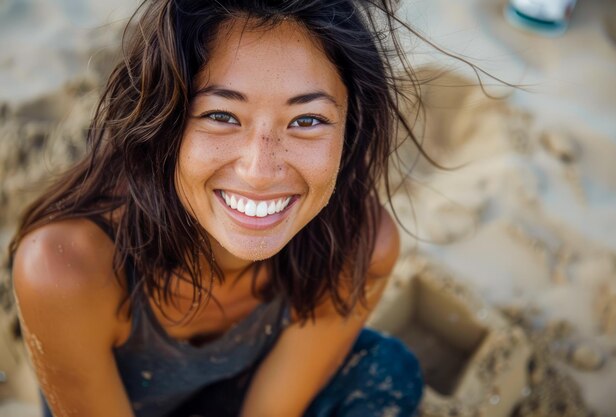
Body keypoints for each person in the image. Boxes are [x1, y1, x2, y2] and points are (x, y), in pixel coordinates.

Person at [9, 0, 432, 416]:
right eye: (221, 115)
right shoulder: (67, 269)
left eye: (307, 120)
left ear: (350, 129)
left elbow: (270, 410)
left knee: (386, 370)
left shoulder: (358, 242)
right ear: (165, 122)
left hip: (235, 396)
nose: (260, 171)